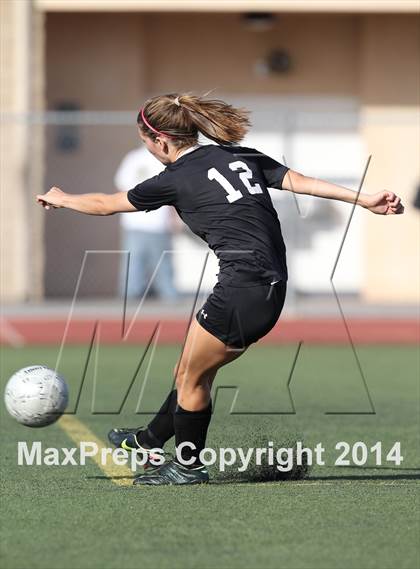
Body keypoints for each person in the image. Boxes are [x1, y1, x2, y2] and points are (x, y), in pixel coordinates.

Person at [37, 93, 404, 486]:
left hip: (243, 290)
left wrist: (64, 199)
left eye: (147, 143)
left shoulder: (175, 178)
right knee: (190, 372)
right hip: (265, 288)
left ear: (161, 141)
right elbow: (301, 181)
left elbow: (108, 204)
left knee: (192, 378)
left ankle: (188, 466)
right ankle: (146, 440)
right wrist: (364, 199)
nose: (150, 150)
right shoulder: (241, 156)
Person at [115, 145, 178, 300]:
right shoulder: (162, 159)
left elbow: (121, 185)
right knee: (160, 265)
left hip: (141, 222)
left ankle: (129, 299)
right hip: (151, 223)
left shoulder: (133, 157)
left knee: (135, 264)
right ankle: (169, 299)